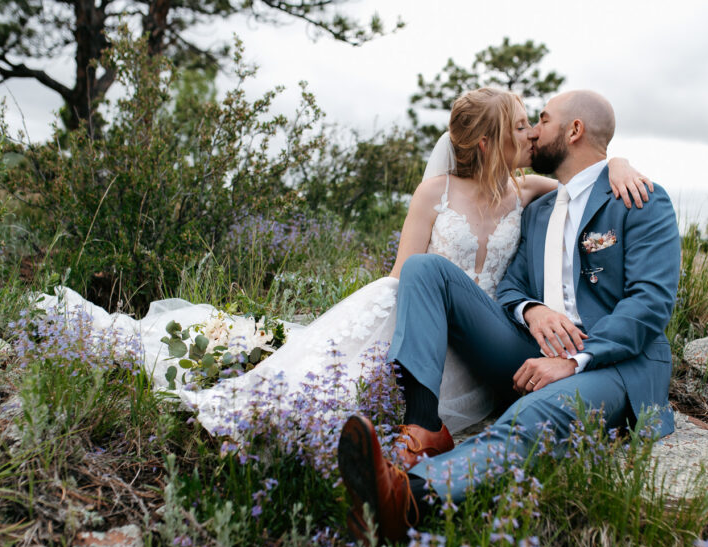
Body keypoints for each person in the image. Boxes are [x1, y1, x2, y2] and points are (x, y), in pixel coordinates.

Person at [188, 87, 653, 440]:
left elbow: (583, 188)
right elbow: (401, 275)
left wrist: (619, 163)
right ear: (488, 142)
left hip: (489, 331)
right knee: (345, 383)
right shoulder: (436, 191)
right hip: (426, 313)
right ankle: (413, 425)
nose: (531, 134)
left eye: (535, 124)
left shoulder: (529, 191)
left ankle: (420, 430)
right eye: (520, 127)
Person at [336, 90, 681, 544]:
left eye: (541, 120)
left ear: (574, 130)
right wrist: (531, 309)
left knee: (530, 418)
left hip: (614, 365)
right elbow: (511, 287)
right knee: (424, 268)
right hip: (526, 351)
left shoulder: (638, 200)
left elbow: (650, 303)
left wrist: (575, 360)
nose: (532, 131)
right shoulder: (536, 209)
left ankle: (404, 500)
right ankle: (423, 430)